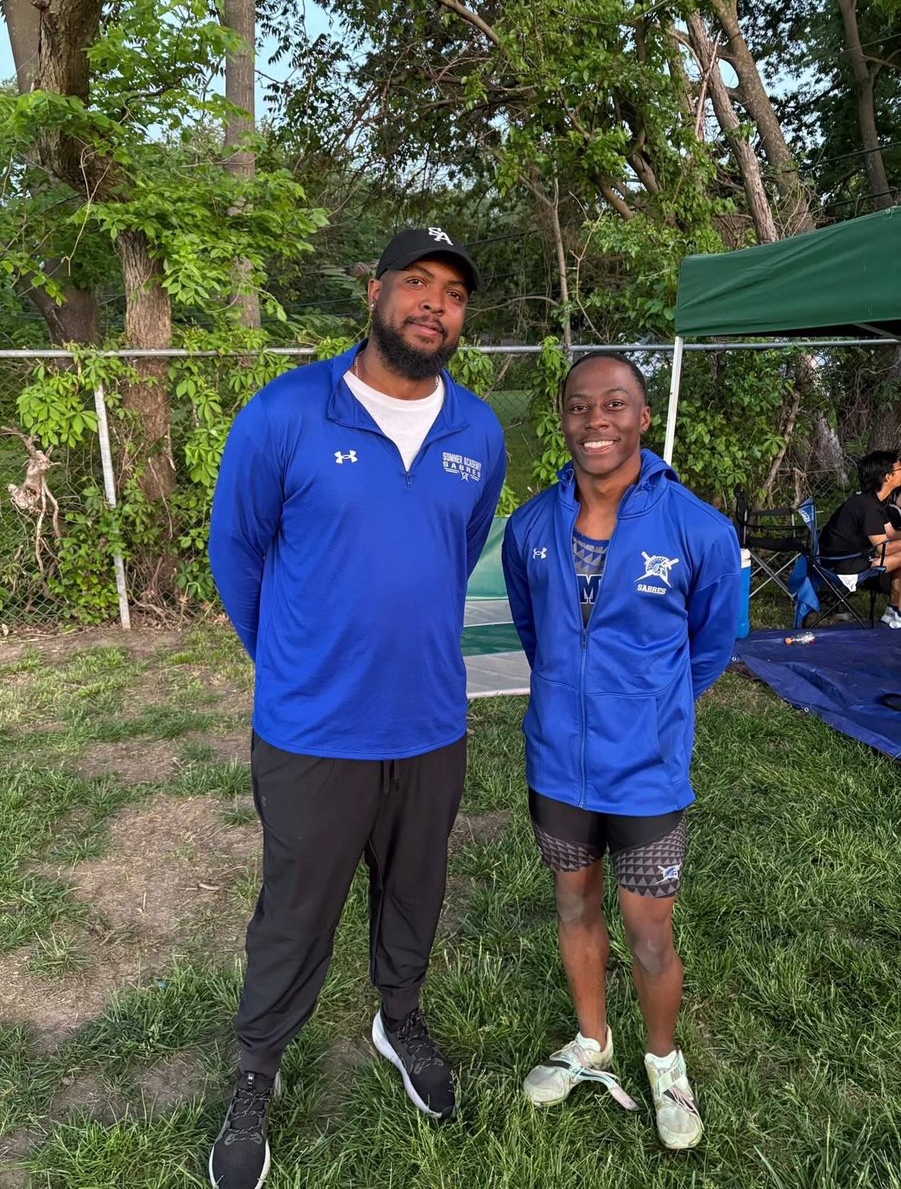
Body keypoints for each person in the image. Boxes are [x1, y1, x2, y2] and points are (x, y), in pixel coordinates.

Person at [207, 228, 506, 1189]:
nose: (434, 304)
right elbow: (238, 550)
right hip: (312, 730)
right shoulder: (289, 411)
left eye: (453, 294)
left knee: (414, 890)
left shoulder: (479, 434)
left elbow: (454, 556)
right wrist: (293, 663)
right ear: (375, 293)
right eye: (416, 283)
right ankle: (259, 1066)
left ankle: (398, 1015)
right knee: (295, 910)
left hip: (429, 722)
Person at [502, 353, 740, 1150]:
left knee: (647, 933)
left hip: (645, 774)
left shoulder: (697, 529)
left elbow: (709, 646)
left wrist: (648, 710)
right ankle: (591, 1040)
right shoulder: (531, 526)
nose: (594, 421)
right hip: (558, 766)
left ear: (642, 418)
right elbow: (538, 637)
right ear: (562, 419)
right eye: (578, 406)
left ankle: (664, 1062)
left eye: (614, 405)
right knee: (573, 905)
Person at [818, 449, 901, 628]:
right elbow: (883, 548)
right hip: (840, 565)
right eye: (900, 469)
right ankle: (896, 610)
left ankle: (893, 610)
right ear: (888, 476)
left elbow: (892, 533)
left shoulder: (874, 501)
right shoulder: (868, 506)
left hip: (854, 557)